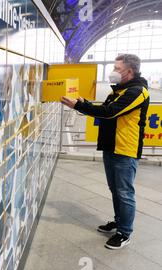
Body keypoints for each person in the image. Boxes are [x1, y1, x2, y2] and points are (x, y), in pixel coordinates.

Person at [60, 54, 150, 250]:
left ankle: (124, 233)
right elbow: (106, 109)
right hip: (111, 147)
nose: (113, 72)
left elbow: (111, 112)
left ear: (129, 71)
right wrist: (84, 104)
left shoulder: (137, 91)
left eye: (117, 68)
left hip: (125, 149)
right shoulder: (118, 91)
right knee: (115, 190)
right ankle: (119, 222)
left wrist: (80, 106)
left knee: (124, 192)